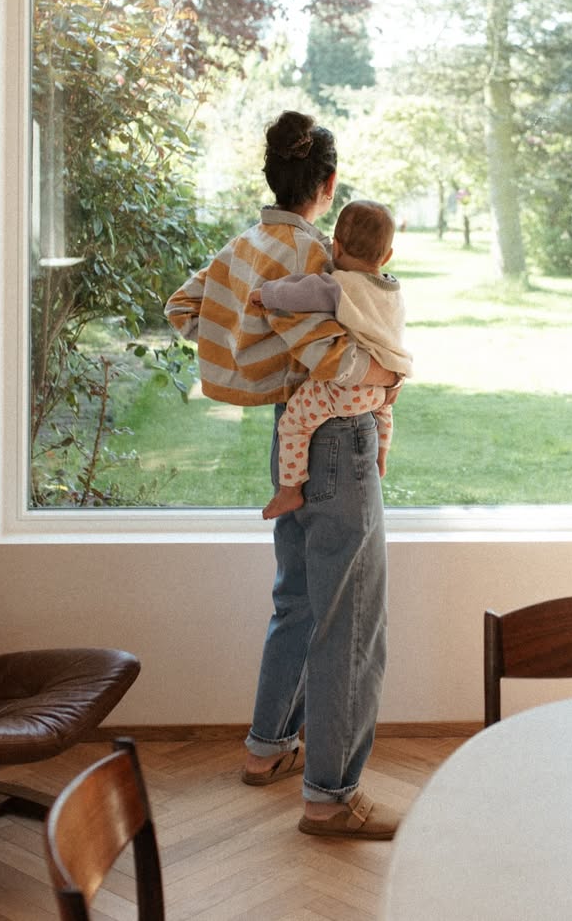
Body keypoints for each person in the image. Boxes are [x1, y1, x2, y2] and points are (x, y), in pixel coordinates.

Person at [165, 110, 401, 839]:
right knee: (351, 621)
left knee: (296, 599)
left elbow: (183, 310)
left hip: (290, 436)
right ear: (326, 186)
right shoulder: (315, 257)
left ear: (275, 177)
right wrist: (386, 372)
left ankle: (268, 748)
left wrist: (258, 366)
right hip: (336, 438)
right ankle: (329, 797)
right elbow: (330, 356)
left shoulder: (245, 246)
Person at [252, 198, 412, 520]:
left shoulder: (339, 286)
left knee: (294, 422)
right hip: (382, 391)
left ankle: (290, 491)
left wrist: (265, 294)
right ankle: (380, 457)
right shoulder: (393, 291)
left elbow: (300, 292)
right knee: (384, 413)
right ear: (388, 256)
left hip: (343, 391)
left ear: (335, 248)